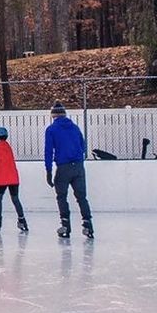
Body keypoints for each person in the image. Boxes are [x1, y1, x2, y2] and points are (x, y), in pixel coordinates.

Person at [44, 102, 93, 239]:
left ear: (53, 115)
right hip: (78, 166)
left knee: (61, 196)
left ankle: (65, 225)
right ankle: (88, 224)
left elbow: (48, 151)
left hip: (63, 167)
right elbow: (83, 146)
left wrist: (48, 171)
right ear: (64, 114)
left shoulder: (51, 130)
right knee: (81, 197)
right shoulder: (75, 128)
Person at [0, 126, 28, 234]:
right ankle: (22, 220)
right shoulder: (8, 148)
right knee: (15, 199)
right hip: (14, 178)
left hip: (2, 179)